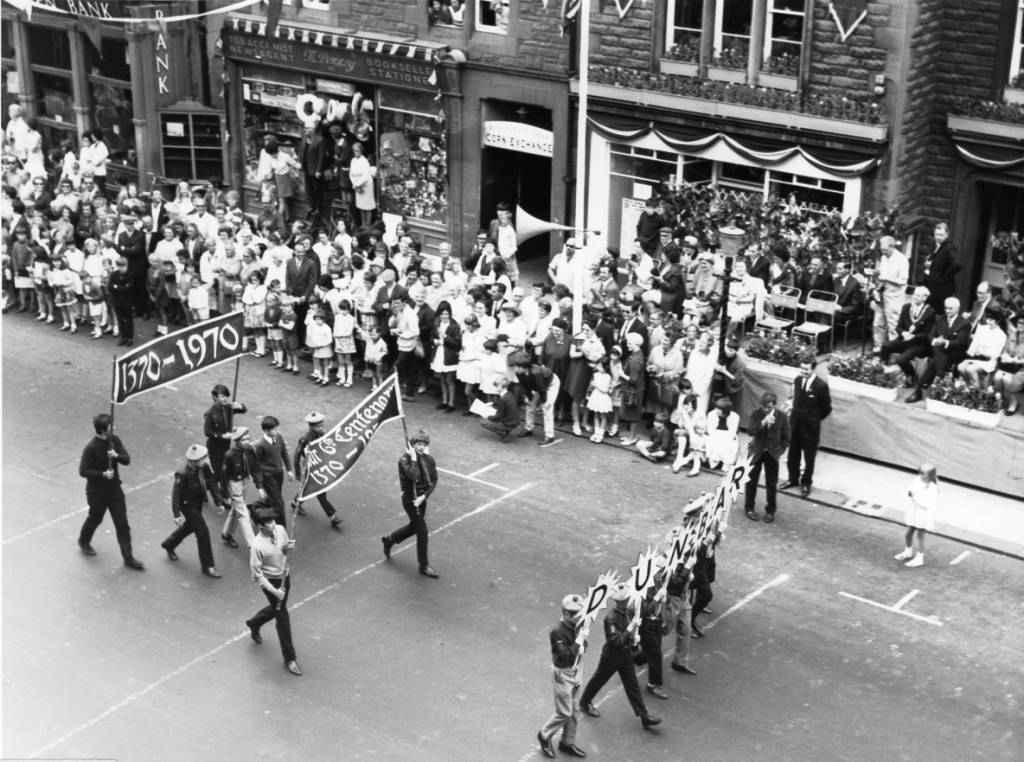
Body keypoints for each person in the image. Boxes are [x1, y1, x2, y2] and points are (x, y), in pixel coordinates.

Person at [577, 583, 663, 729]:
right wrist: (630, 629)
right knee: (599, 679)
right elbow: (616, 641)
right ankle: (584, 702)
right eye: (626, 600)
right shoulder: (611, 618)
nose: (628, 602)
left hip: (625, 654)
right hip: (612, 656)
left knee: (632, 685)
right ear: (620, 602)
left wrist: (634, 638)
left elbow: (640, 613)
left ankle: (644, 716)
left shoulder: (627, 612)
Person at [77, 413, 144, 569]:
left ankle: (128, 558)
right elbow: (83, 471)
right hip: (97, 492)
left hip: (114, 489)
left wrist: (116, 455)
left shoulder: (114, 440)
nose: (113, 428)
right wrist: (102, 475)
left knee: (122, 524)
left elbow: (127, 459)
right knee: (96, 518)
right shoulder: (91, 448)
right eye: (110, 426)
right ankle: (84, 541)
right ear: (102, 429)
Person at [246, 508, 302, 676]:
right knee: (282, 616)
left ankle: (255, 622)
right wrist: (274, 590)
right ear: (260, 526)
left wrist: (288, 547)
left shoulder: (280, 529)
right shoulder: (256, 547)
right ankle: (289, 658)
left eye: (273, 520)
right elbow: (257, 576)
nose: (273, 524)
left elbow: (283, 552)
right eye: (269, 522)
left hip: (285, 576)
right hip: (271, 582)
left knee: (278, 608)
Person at [381, 429, 440, 578]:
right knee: (422, 531)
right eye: (418, 444)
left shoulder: (429, 460)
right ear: (412, 444)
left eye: (424, 444)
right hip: (410, 499)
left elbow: (433, 480)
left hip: (421, 499)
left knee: (414, 527)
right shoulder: (404, 460)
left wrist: (424, 496)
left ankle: (390, 539)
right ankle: (423, 565)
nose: (421, 447)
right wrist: (413, 458)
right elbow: (413, 476)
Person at [161, 444, 226, 578]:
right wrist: (177, 514)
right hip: (187, 505)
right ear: (192, 461)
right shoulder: (183, 474)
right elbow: (176, 494)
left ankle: (169, 544)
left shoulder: (204, 468)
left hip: (198, 502)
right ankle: (208, 566)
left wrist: (219, 501)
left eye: (205, 457)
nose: (205, 460)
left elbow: (212, 483)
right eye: (202, 458)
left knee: (190, 526)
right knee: (202, 531)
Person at [537, 593, 587, 759]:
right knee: (564, 712)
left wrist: (583, 643)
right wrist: (579, 641)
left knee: (574, 710)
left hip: (575, 669)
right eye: (577, 615)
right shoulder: (558, 631)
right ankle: (544, 735)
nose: (580, 618)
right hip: (563, 673)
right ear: (567, 614)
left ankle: (567, 742)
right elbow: (565, 656)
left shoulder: (576, 624)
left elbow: (582, 643)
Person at [780, 360, 832, 498]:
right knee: (793, 454)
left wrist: (813, 419)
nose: (803, 371)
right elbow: (796, 400)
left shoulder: (820, 386)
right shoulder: (797, 380)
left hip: (810, 427)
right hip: (796, 424)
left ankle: (806, 483)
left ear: (813, 369)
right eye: (802, 368)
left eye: (806, 369)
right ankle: (792, 478)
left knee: (809, 457)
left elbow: (826, 408)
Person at [905, 297, 972, 404]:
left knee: (934, 359)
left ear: (957, 309)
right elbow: (930, 335)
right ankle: (938, 379)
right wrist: (935, 340)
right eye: (946, 308)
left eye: (950, 308)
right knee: (937, 353)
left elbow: (961, 342)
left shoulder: (964, 323)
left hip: (954, 354)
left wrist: (945, 342)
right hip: (939, 351)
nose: (947, 311)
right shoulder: (939, 319)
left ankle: (920, 390)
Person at [744, 392, 791, 524]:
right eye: (764, 407)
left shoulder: (782, 417)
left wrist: (780, 451)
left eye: (768, 407)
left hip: (772, 453)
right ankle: (749, 508)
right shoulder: (756, 413)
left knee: (771, 484)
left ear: (774, 405)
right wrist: (764, 422)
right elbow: (750, 431)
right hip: (757, 451)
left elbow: (786, 436)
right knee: (751, 481)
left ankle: (770, 511)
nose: (765, 410)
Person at [293, 412, 344, 526]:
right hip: (310, 468)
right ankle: (332, 517)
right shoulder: (305, 439)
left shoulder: (321, 434)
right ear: (310, 426)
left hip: (319, 466)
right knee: (320, 492)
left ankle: (295, 503)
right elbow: (297, 456)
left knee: (306, 488)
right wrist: (297, 472)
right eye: (317, 426)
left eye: (321, 425)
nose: (320, 428)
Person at [220, 426, 266, 549]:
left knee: (236, 510)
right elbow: (223, 476)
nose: (246, 442)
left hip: (245, 481)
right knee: (243, 514)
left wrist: (259, 486)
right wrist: (225, 495)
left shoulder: (250, 450)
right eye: (243, 440)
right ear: (237, 441)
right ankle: (253, 545)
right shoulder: (229, 455)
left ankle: (227, 534)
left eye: (247, 439)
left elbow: (255, 467)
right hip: (234, 484)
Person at [880, 286, 936, 387]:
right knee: (885, 346)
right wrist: (903, 333)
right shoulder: (906, 307)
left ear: (924, 298)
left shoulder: (930, 312)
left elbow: (927, 334)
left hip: (918, 344)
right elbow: (898, 327)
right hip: (904, 340)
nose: (914, 297)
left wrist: (913, 336)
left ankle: (913, 378)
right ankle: (882, 371)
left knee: (901, 359)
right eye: (914, 294)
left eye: (918, 295)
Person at [894, 464, 938, 568]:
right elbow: (911, 490)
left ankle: (919, 558)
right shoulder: (918, 479)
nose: (921, 476)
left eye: (924, 474)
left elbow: (927, 504)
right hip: (914, 512)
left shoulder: (933, 488)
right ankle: (908, 551)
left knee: (920, 537)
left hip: (923, 515)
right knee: (908, 534)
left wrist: (915, 496)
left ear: (931, 476)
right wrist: (911, 493)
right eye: (921, 473)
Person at [870, 235, 909, 352]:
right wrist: (874, 272)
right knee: (878, 323)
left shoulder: (902, 260)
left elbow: (903, 281)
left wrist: (886, 279)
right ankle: (879, 347)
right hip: (881, 294)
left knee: (893, 325)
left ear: (892, 247)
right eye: (882, 249)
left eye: (885, 250)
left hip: (894, 296)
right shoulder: (884, 257)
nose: (883, 252)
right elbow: (882, 271)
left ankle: (893, 351)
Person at [253, 416, 295, 524]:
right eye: (275, 429)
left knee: (274, 498)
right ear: (266, 431)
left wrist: (289, 470)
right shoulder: (261, 445)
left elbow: (284, 453)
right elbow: (255, 464)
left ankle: (255, 507)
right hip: (268, 477)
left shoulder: (278, 437)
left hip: (279, 474)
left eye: (277, 428)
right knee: (279, 504)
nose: (278, 431)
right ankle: (281, 530)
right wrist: (259, 485)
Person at [513, 351, 560, 446]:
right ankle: (528, 428)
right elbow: (525, 386)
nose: (516, 368)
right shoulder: (519, 373)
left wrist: (545, 402)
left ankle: (549, 436)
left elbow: (542, 389)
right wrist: (529, 398)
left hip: (551, 384)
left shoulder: (536, 372)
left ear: (525, 367)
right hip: (537, 385)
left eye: (518, 367)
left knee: (547, 409)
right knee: (529, 406)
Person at [958, 308, 1008, 387]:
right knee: (960, 367)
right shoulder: (982, 329)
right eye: (988, 319)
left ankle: (977, 390)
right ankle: (968, 387)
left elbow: (995, 354)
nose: (988, 322)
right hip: (976, 357)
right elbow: (974, 344)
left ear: (998, 321)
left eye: (991, 320)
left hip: (989, 361)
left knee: (970, 369)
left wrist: (982, 352)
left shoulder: (1002, 335)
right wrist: (972, 351)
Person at [665, 554, 697, 675]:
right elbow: (674, 583)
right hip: (674, 599)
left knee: (686, 629)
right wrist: (688, 566)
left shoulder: (688, 556)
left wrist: (689, 576)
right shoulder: (673, 559)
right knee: (664, 629)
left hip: (684, 598)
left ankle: (679, 661)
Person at [922, 223, 961, 313]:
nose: (938, 237)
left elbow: (957, 265)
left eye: (941, 235)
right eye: (937, 234)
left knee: (937, 312)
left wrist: (944, 276)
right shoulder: (935, 245)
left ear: (946, 235)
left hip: (941, 290)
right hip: (931, 286)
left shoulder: (949, 249)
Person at [618, 332, 647, 447]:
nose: (627, 345)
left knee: (633, 415)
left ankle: (632, 437)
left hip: (633, 391)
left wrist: (621, 374)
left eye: (629, 343)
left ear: (636, 344)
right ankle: (632, 436)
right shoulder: (637, 354)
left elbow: (633, 380)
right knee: (632, 414)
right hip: (634, 390)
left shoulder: (636, 359)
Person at [993, 312, 1024, 415]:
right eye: (1019, 323)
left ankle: (1013, 402)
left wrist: (1018, 361)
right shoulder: (1013, 334)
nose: (1020, 325)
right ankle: (1000, 400)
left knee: (1007, 379)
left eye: (1023, 323)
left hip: (1021, 368)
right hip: (1009, 365)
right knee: (997, 377)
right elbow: (1005, 351)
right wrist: (1005, 356)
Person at [481, 376, 520, 443]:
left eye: (498, 386)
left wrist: (487, 416)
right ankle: (507, 430)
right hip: (515, 421)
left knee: (483, 421)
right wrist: (493, 403)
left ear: (504, 387)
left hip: (508, 423)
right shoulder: (509, 394)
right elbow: (503, 404)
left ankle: (504, 433)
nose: (496, 388)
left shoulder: (503, 399)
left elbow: (498, 416)